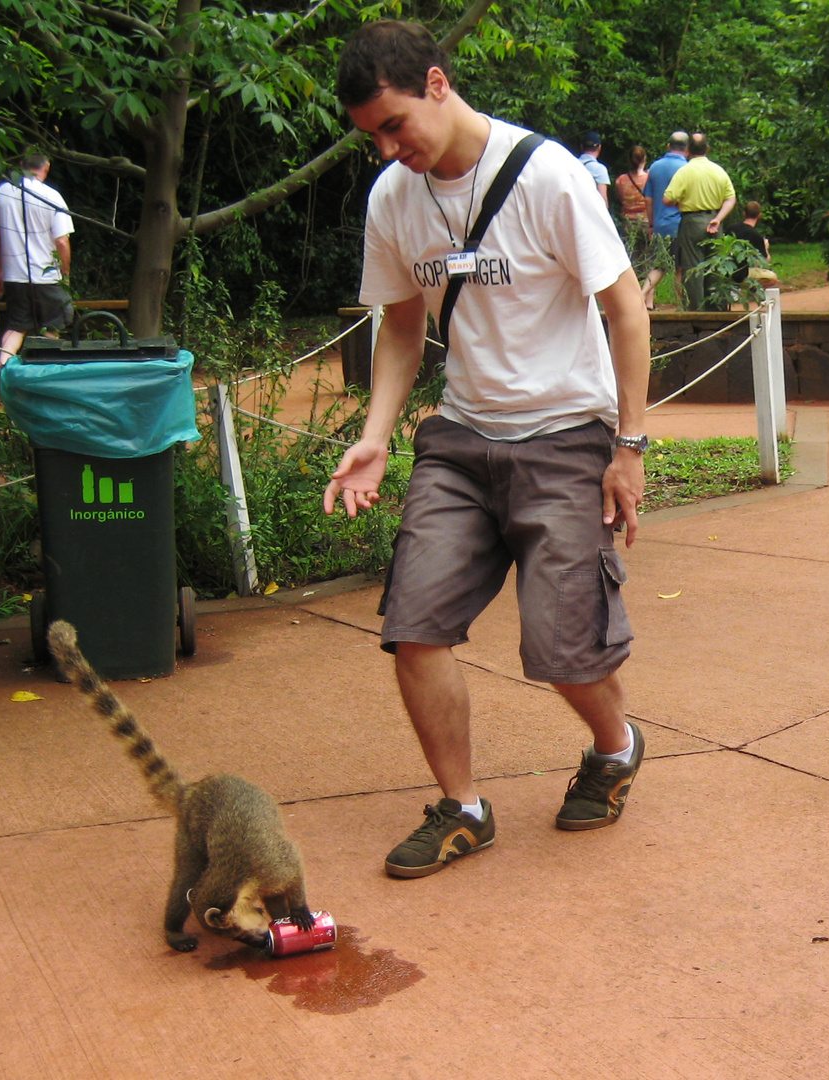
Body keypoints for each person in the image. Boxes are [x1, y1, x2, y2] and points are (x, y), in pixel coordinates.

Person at [325, 21, 652, 878]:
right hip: (461, 439)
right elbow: (400, 327)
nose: (391, 150)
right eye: (373, 138)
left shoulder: (546, 175)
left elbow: (626, 310)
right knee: (415, 626)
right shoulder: (393, 199)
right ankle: (461, 807)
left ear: (436, 83)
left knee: (562, 652)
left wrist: (628, 448)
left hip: (566, 436)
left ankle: (615, 746)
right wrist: (373, 437)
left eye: (396, 125)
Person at [0, 153, 74, 367]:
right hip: (47, 275)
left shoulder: (2, 193)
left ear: (21, 166)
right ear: (46, 168)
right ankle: (44, 372)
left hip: (14, 275)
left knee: (16, 326)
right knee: (52, 325)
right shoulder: (51, 196)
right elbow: (62, 242)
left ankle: (3, 371)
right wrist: (65, 273)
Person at [662, 132, 736, 311]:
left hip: (691, 221)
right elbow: (730, 198)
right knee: (716, 267)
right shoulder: (718, 171)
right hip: (714, 221)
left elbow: (667, 199)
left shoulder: (684, 171)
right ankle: (716, 310)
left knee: (693, 268)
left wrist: (679, 201)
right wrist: (717, 219)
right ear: (707, 149)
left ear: (688, 150)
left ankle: (695, 311)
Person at [640, 132, 689, 310]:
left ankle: (644, 296)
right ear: (687, 149)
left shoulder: (655, 167)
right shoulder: (687, 168)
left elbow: (648, 199)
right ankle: (681, 304)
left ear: (669, 146)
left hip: (660, 223)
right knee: (680, 268)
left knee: (659, 264)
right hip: (680, 225)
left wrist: (652, 224)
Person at [614, 144, 652, 272]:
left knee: (631, 260)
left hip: (628, 222)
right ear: (644, 159)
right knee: (648, 258)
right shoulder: (650, 178)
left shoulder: (621, 180)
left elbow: (621, 199)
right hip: (647, 221)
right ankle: (646, 289)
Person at [724, 200, 777, 288]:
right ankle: (749, 291)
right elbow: (764, 262)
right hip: (742, 273)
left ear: (744, 214)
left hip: (726, 269)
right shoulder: (756, 235)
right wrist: (766, 247)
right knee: (772, 277)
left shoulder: (731, 227)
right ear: (759, 216)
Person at [576, 131, 610, 207]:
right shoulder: (599, 169)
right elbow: (602, 200)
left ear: (582, 147)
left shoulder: (571, 165)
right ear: (599, 147)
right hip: (589, 212)